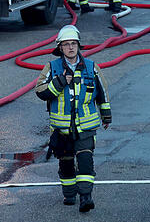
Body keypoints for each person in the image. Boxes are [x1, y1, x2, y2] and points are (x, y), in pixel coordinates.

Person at [36, 25, 112, 212]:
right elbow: (40, 91)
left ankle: (86, 197)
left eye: (73, 43)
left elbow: (102, 92)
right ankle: (69, 194)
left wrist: (106, 115)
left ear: (78, 45)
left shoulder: (92, 68)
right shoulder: (51, 68)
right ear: (60, 47)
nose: (70, 47)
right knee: (66, 163)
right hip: (61, 129)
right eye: (66, 44)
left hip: (86, 126)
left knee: (85, 160)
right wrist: (60, 82)